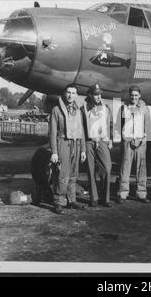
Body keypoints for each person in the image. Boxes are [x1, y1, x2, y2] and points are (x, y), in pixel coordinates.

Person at [49, 84, 87, 214]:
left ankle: (71, 200)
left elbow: (81, 131)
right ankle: (59, 202)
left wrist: (83, 149)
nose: (70, 95)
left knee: (73, 174)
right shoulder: (56, 110)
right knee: (61, 174)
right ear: (65, 94)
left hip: (76, 145)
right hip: (62, 143)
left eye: (73, 93)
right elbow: (52, 132)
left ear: (76, 95)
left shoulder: (78, 110)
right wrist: (54, 151)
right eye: (68, 92)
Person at [80, 84, 113, 208]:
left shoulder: (105, 108)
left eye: (100, 94)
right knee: (90, 169)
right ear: (90, 95)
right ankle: (94, 198)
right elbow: (81, 130)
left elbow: (110, 124)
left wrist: (109, 140)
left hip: (102, 141)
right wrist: (83, 147)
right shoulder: (83, 109)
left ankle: (106, 198)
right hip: (89, 142)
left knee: (107, 168)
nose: (99, 96)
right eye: (95, 94)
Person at [117, 85, 150, 203]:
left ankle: (141, 193)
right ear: (129, 95)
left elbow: (147, 124)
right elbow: (119, 125)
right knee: (125, 168)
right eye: (132, 95)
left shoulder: (144, 108)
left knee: (141, 168)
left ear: (139, 95)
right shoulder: (123, 108)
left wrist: (144, 138)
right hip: (127, 142)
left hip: (140, 142)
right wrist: (124, 140)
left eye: (136, 95)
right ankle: (122, 193)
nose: (134, 97)